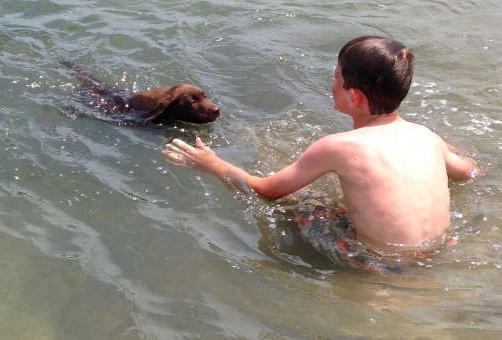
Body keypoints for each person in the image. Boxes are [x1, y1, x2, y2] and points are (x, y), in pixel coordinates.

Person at [163, 36, 480, 271]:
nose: (331, 85)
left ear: (354, 97)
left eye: (336, 77)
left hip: (377, 263)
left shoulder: (338, 146)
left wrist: (213, 164)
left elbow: (265, 191)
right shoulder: (427, 137)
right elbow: (469, 171)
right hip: (438, 253)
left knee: (306, 200)